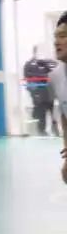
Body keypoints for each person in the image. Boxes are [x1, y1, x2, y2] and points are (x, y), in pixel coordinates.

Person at [49, 13, 67, 183]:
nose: (56, 42)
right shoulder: (55, 76)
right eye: (56, 36)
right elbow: (64, 115)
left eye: (63, 36)